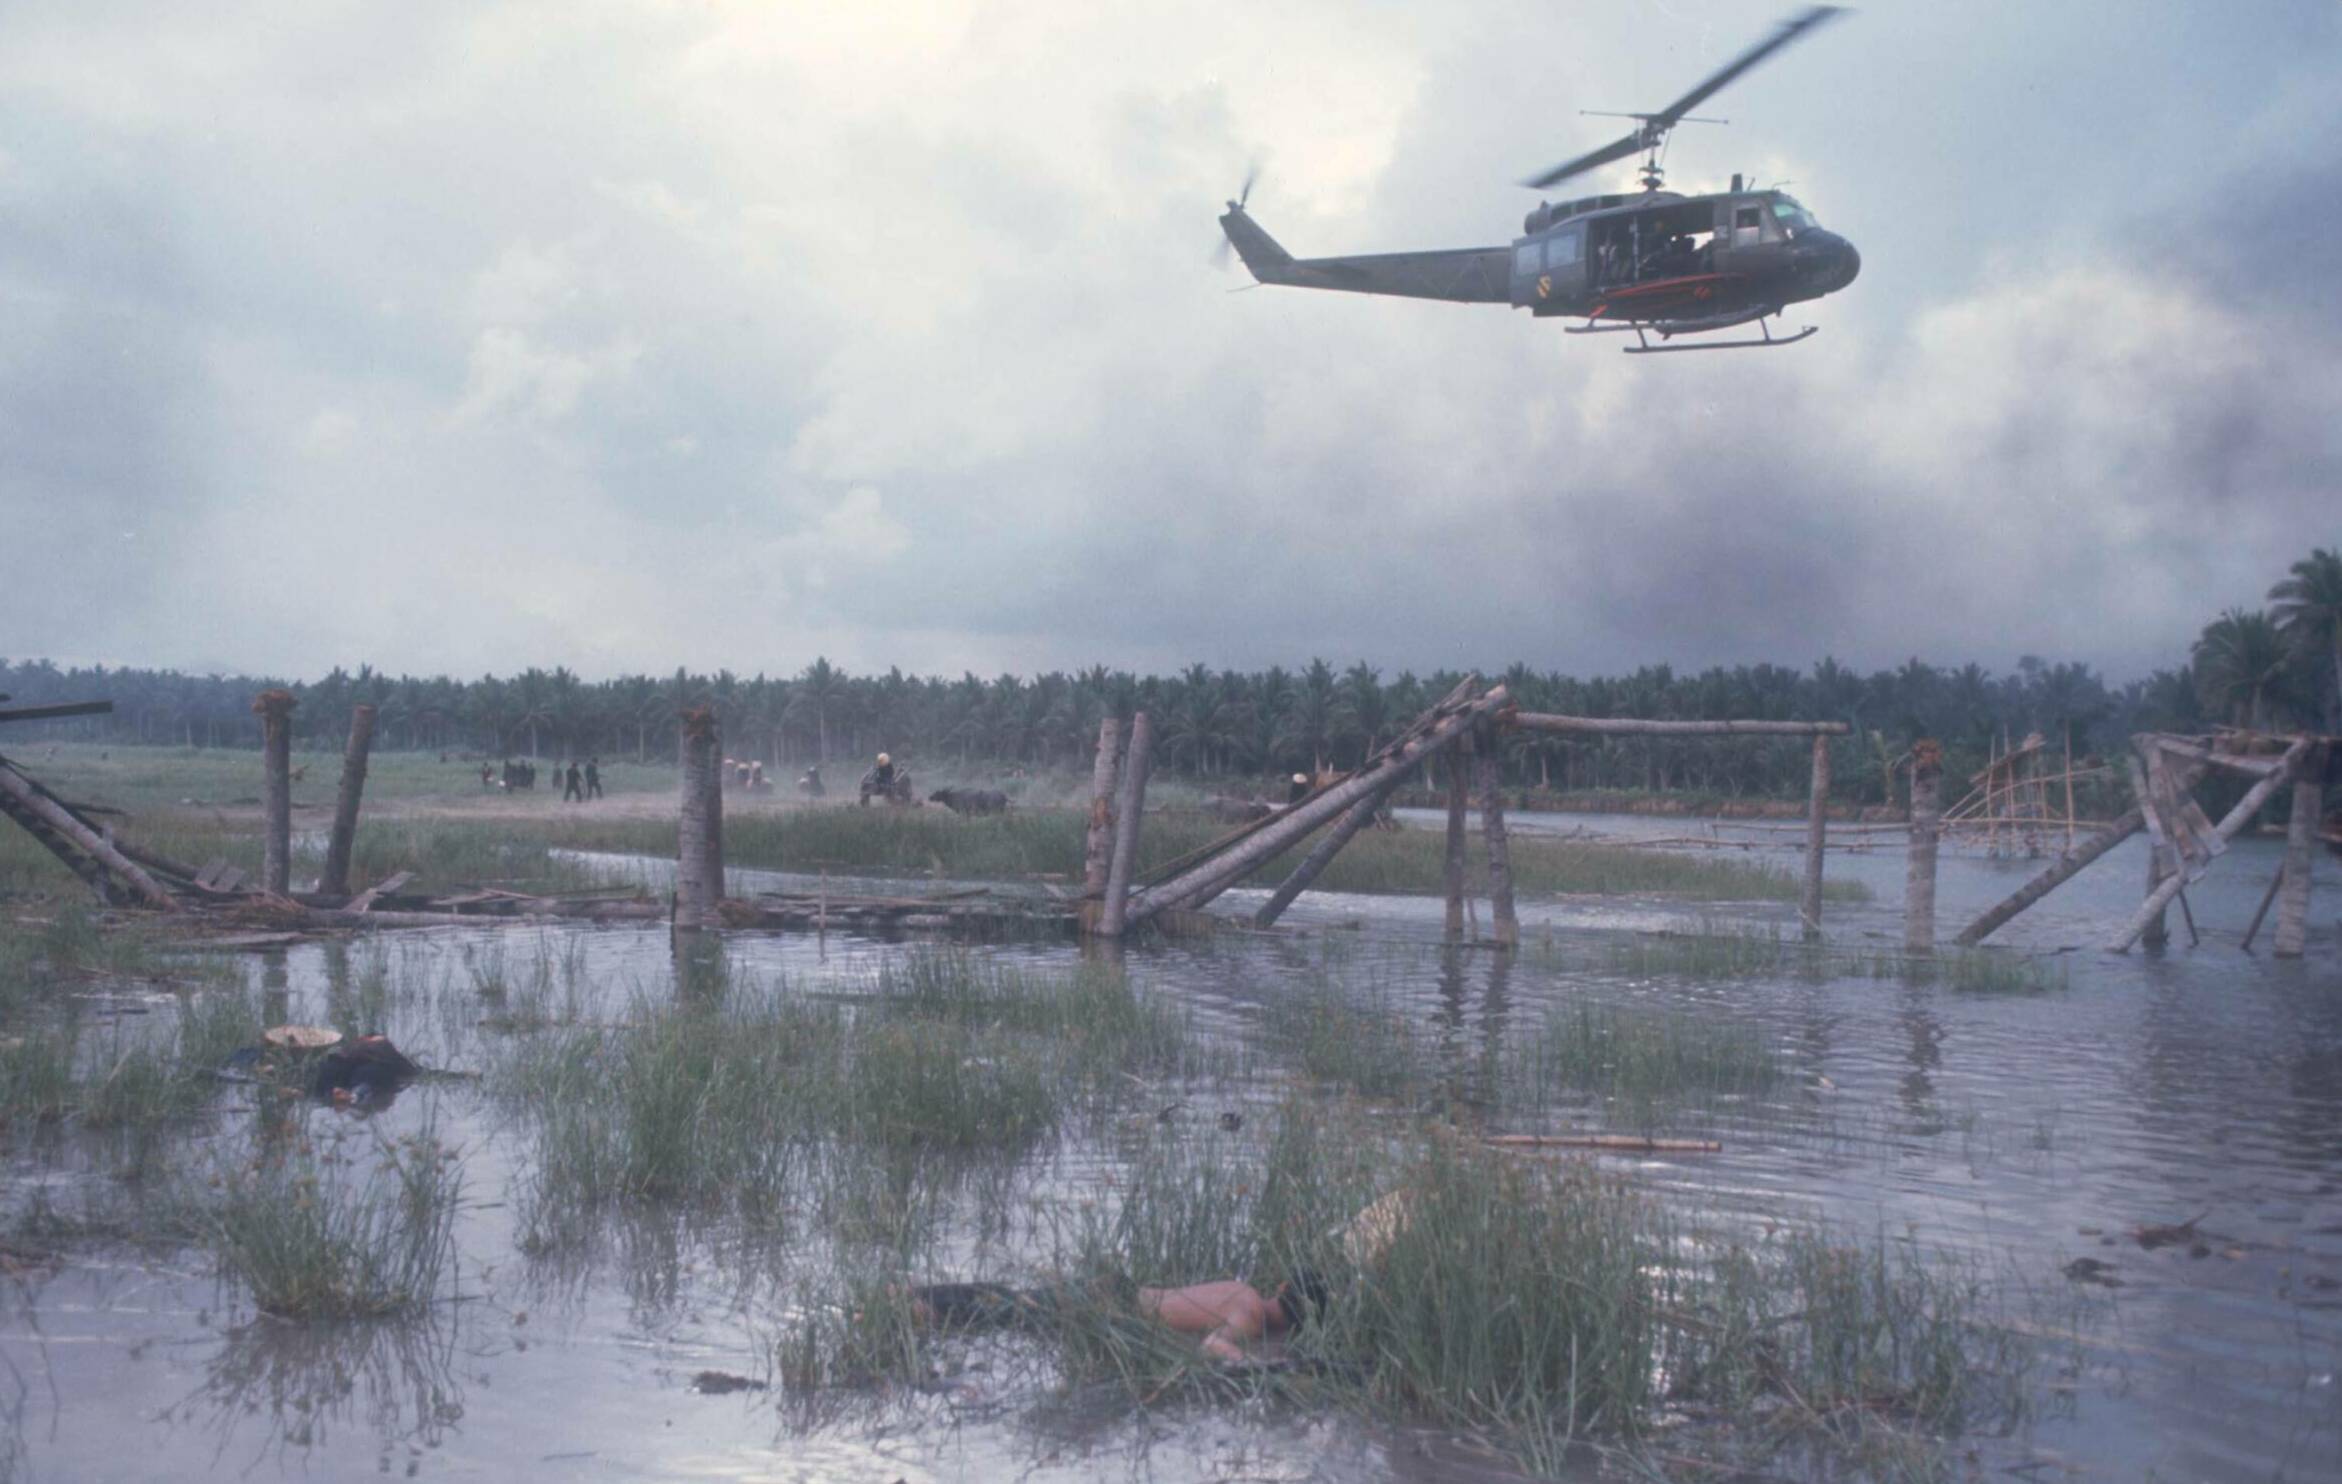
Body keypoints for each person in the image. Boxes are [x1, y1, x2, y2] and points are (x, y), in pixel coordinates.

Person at [908, 1268, 1329, 1365]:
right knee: (1012, 1310)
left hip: (1119, 1291)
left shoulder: (1245, 1291)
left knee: (1016, 1302)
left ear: (1284, 1289)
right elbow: (1212, 1345)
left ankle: (918, 1297)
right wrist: (1260, 1363)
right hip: (1116, 1307)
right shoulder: (1251, 1315)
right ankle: (920, 1307)